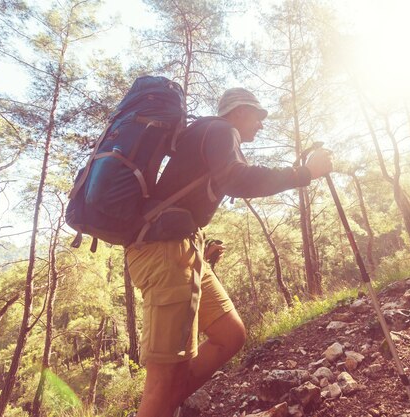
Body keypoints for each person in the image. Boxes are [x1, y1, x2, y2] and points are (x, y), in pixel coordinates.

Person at [125, 87, 333, 417]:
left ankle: (167, 406)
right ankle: (162, 405)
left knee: (229, 335)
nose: (261, 124)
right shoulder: (222, 129)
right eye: (258, 116)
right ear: (237, 112)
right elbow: (238, 180)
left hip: (184, 249)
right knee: (162, 380)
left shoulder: (210, 133)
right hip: (164, 252)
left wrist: (200, 252)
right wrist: (305, 173)